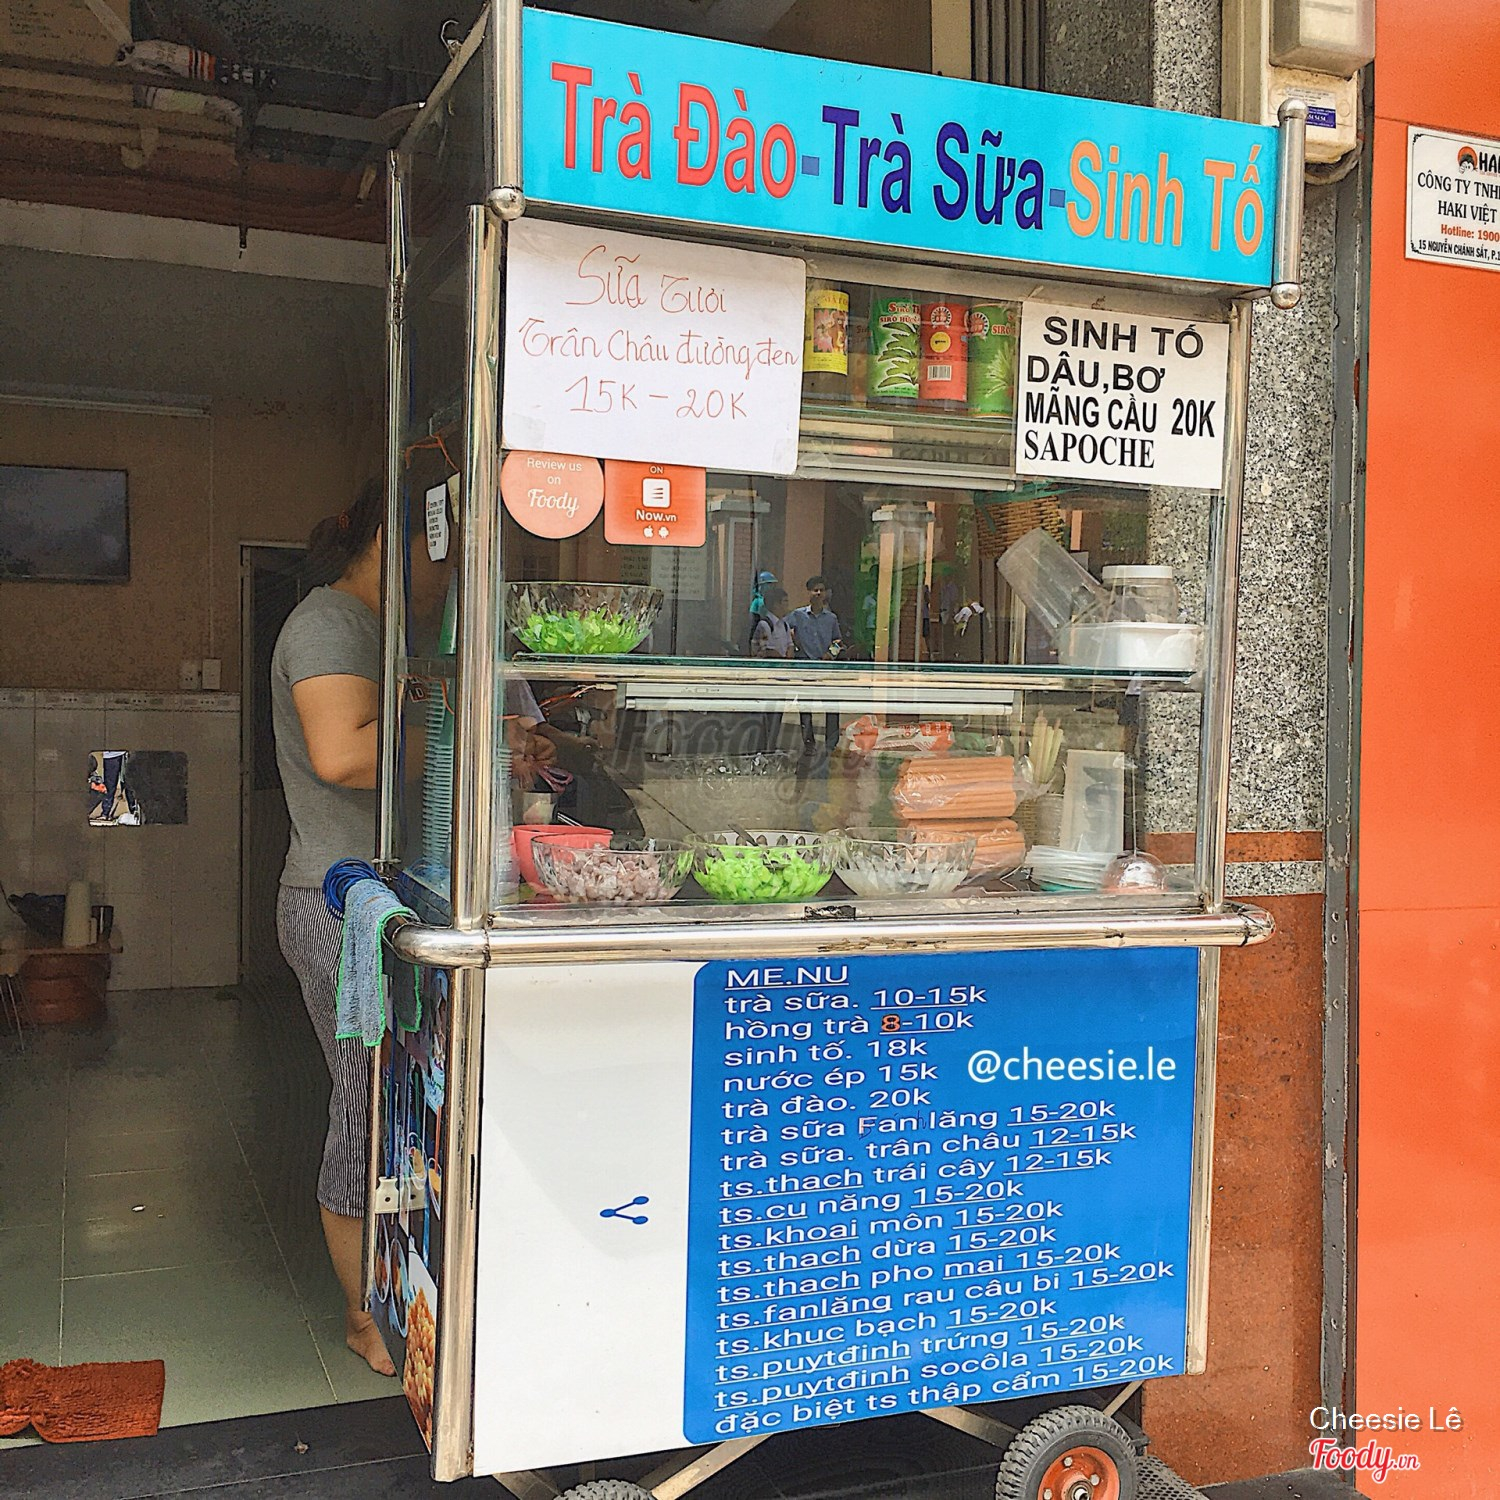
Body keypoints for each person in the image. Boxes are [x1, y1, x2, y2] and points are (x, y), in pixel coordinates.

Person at [271, 479, 551, 1375]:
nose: (455, 580)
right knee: (366, 1114)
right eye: (452, 558)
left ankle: (412, 1288)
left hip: (385, 903)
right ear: (399, 539)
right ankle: (363, 1315)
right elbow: (343, 754)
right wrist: (478, 741)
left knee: (408, 1109)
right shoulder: (330, 623)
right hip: (343, 906)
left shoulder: (381, 633)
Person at [788, 575, 842, 750]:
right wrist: (793, 644)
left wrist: (830, 654)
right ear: (808, 592)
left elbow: (838, 641)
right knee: (805, 707)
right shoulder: (797, 615)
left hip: (825, 669)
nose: (818, 593)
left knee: (831, 706)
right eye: (815, 590)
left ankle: (831, 743)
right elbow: (785, 629)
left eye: (821, 590)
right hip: (805, 667)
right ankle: (808, 742)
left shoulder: (831, 618)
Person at [750, 583, 792, 751]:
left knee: (777, 713)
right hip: (767, 678)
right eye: (784, 602)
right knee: (765, 715)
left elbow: (789, 645)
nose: (787, 606)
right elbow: (767, 650)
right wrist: (781, 659)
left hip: (781, 677)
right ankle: (762, 748)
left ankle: (772, 746)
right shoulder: (765, 624)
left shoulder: (785, 625)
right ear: (775, 604)